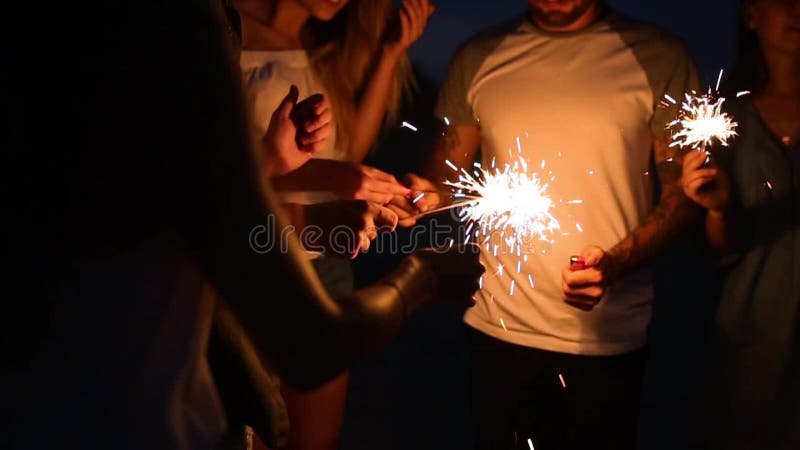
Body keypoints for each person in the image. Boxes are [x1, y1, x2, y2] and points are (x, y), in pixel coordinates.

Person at [0, 2, 483, 449]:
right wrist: (425, 273)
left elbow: (197, 215)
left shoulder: (70, 77)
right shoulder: (176, 37)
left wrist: (273, 166)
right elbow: (311, 342)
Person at [390, 0, 702, 448]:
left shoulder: (658, 56)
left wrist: (613, 264)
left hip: (608, 339)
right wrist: (419, 196)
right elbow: (445, 177)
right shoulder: (479, 56)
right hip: (497, 329)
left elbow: (683, 197)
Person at [224, 1, 435, 448]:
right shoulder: (225, 26)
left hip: (325, 266)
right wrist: (335, 180)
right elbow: (215, 177)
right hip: (256, 262)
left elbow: (349, 154)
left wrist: (391, 53)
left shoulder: (311, 49)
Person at [681, 1, 800, 448]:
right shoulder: (726, 117)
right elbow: (720, 248)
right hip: (756, 331)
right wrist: (718, 209)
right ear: (751, 14)